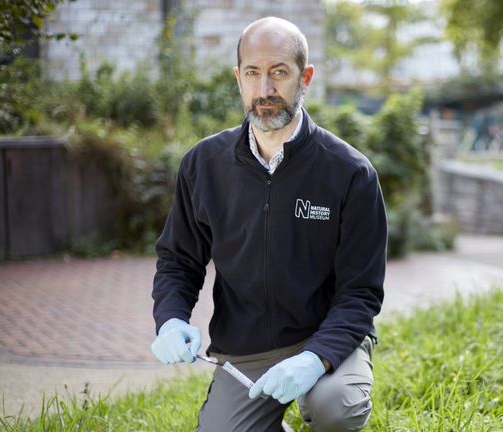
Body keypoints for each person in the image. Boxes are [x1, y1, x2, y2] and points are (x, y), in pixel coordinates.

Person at [150, 16, 387, 432]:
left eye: (279, 72)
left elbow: (360, 294)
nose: (265, 90)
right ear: (238, 78)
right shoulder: (203, 164)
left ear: (305, 77)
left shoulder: (350, 172)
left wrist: (316, 358)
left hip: (326, 338)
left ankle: (324, 390)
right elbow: (178, 260)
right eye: (253, 73)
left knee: (337, 407)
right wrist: (171, 318)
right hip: (246, 351)